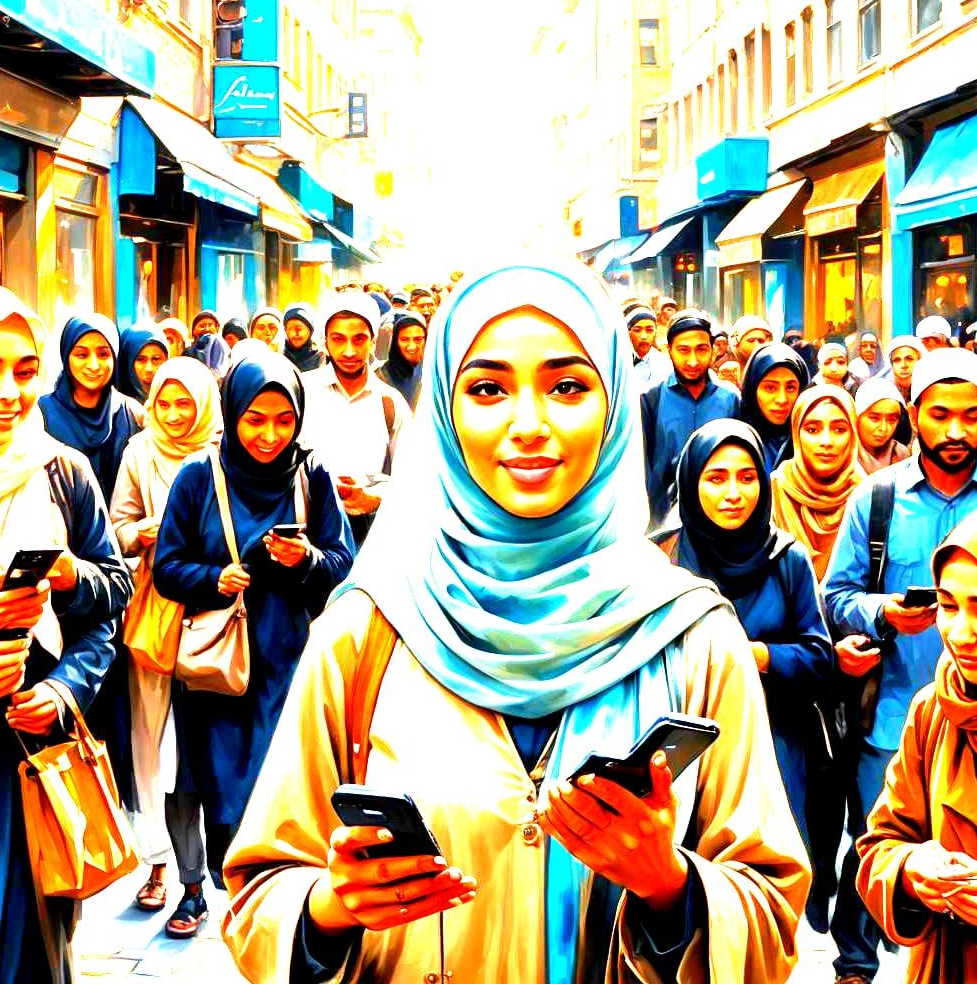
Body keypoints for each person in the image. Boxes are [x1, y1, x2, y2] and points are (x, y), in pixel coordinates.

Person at [221, 260, 810, 984]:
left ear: (616, 406)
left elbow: (773, 912)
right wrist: (330, 909)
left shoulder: (694, 638)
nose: (528, 426)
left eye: (567, 386)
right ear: (444, 409)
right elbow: (260, 895)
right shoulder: (369, 630)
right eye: (488, 389)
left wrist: (671, 888)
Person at [0, 284, 131, 984]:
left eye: (27, 371)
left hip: (30, 758)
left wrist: (64, 687)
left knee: (23, 950)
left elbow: (111, 598)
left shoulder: (62, 471)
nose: (9, 391)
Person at [152, 350, 354, 913]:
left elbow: (345, 564)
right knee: (217, 783)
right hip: (217, 666)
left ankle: (276, 898)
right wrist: (216, 578)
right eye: (255, 419)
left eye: (283, 420)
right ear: (233, 412)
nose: (269, 434)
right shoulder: (198, 476)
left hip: (288, 658)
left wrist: (307, 559)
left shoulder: (310, 474)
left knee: (281, 778)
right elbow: (167, 568)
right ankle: (222, 888)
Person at [823, 347, 977, 984]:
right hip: (897, 719)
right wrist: (884, 614)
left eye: (971, 416)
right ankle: (856, 967)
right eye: (939, 413)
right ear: (912, 414)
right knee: (884, 854)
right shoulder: (879, 500)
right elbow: (836, 596)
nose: (954, 431)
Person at [657, 419, 833, 855]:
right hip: (684, 746)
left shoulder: (786, 557)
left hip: (774, 742)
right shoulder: (665, 556)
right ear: (691, 481)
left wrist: (758, 655)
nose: (734, 493)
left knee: (769, 865)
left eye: (747, 476)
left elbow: (819, 656)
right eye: (715, 478)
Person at [110, 357, 221, 922]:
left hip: (218, 618)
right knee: (150, 741)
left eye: (186, 403)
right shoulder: (138, 451)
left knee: (207, 746)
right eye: (164, 403)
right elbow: (117, 528)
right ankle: (159, 860)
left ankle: (211, 873)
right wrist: (143, 532)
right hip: (155, 615)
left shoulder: (224, 455)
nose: (175, 415)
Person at [856, 508, 977, 982]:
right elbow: (880, 844)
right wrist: (913, 870)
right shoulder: (935, 710)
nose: (959, 633)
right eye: (949, 607)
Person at [300, 292, 411, 547]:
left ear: (372, 341)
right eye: (338, 339)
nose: (349, 351)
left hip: (370, 538)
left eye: (359, 339)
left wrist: (372, 497)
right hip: (309, 536)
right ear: (325, 341)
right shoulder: (302, 391)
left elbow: (413, 477)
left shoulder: (390, 403)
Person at [640, 309, 740, 531]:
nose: (693, 361)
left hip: (721, 517)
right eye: (683, 351)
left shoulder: (730, 398)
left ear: (713, 350)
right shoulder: (651, 398)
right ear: (669, 351)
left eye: (701, 349)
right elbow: (644, 465)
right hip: (663, 519)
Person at [39, 313, 145, 506]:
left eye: (103, 354)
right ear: (66, 355)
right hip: (61, 529)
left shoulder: (132, 414)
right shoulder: (41, 413)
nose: (94, 365)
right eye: (81, 354)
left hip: (118, 530)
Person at [771, 385, 864, 581]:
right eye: (812, 430)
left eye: (839, 429)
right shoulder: (773, 491)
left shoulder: (868, 496)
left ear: (853, 435)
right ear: (797, 433)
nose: (826, 441)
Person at [739, 342, 811, 474]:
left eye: (790, 387)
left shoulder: (815, 440)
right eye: (770, 388)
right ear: (752, 390)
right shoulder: (736, 443)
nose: (781, 400)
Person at [854, 379, 911, 474]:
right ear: (857, 416)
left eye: (892, 420)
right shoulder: (846, 456)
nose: (883, 428)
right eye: (874, 418)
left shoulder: (901, 455)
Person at [375, 310, 426, 409]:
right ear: (395, 342)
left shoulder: (433, 371)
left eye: (418, 339)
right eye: (404, 339)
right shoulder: (380, 376)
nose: (412, 346)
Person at [117, 326, 169, 404]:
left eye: (156, 359)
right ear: (126, 362)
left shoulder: (177, 398)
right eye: (140, 359)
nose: (149, 369)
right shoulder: (116, 409)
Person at [626, 306, 673, 391]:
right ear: (628, 332)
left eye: (649, 330)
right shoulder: (618, 360)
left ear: (655, 332)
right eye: (637, 330)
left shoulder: (664, 364)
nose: (644, 336)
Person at [880, 335, 927, 403]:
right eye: (897, 360)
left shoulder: (928, 391)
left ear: (919, 361)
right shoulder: (884, 394)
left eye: (909, 359)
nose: (903, 365)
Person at [283, 306, 324, 373]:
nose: (294, 334)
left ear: (310, 330)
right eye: (290, 329)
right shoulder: (279, 357)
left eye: (299, 329)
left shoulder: (322, 358)